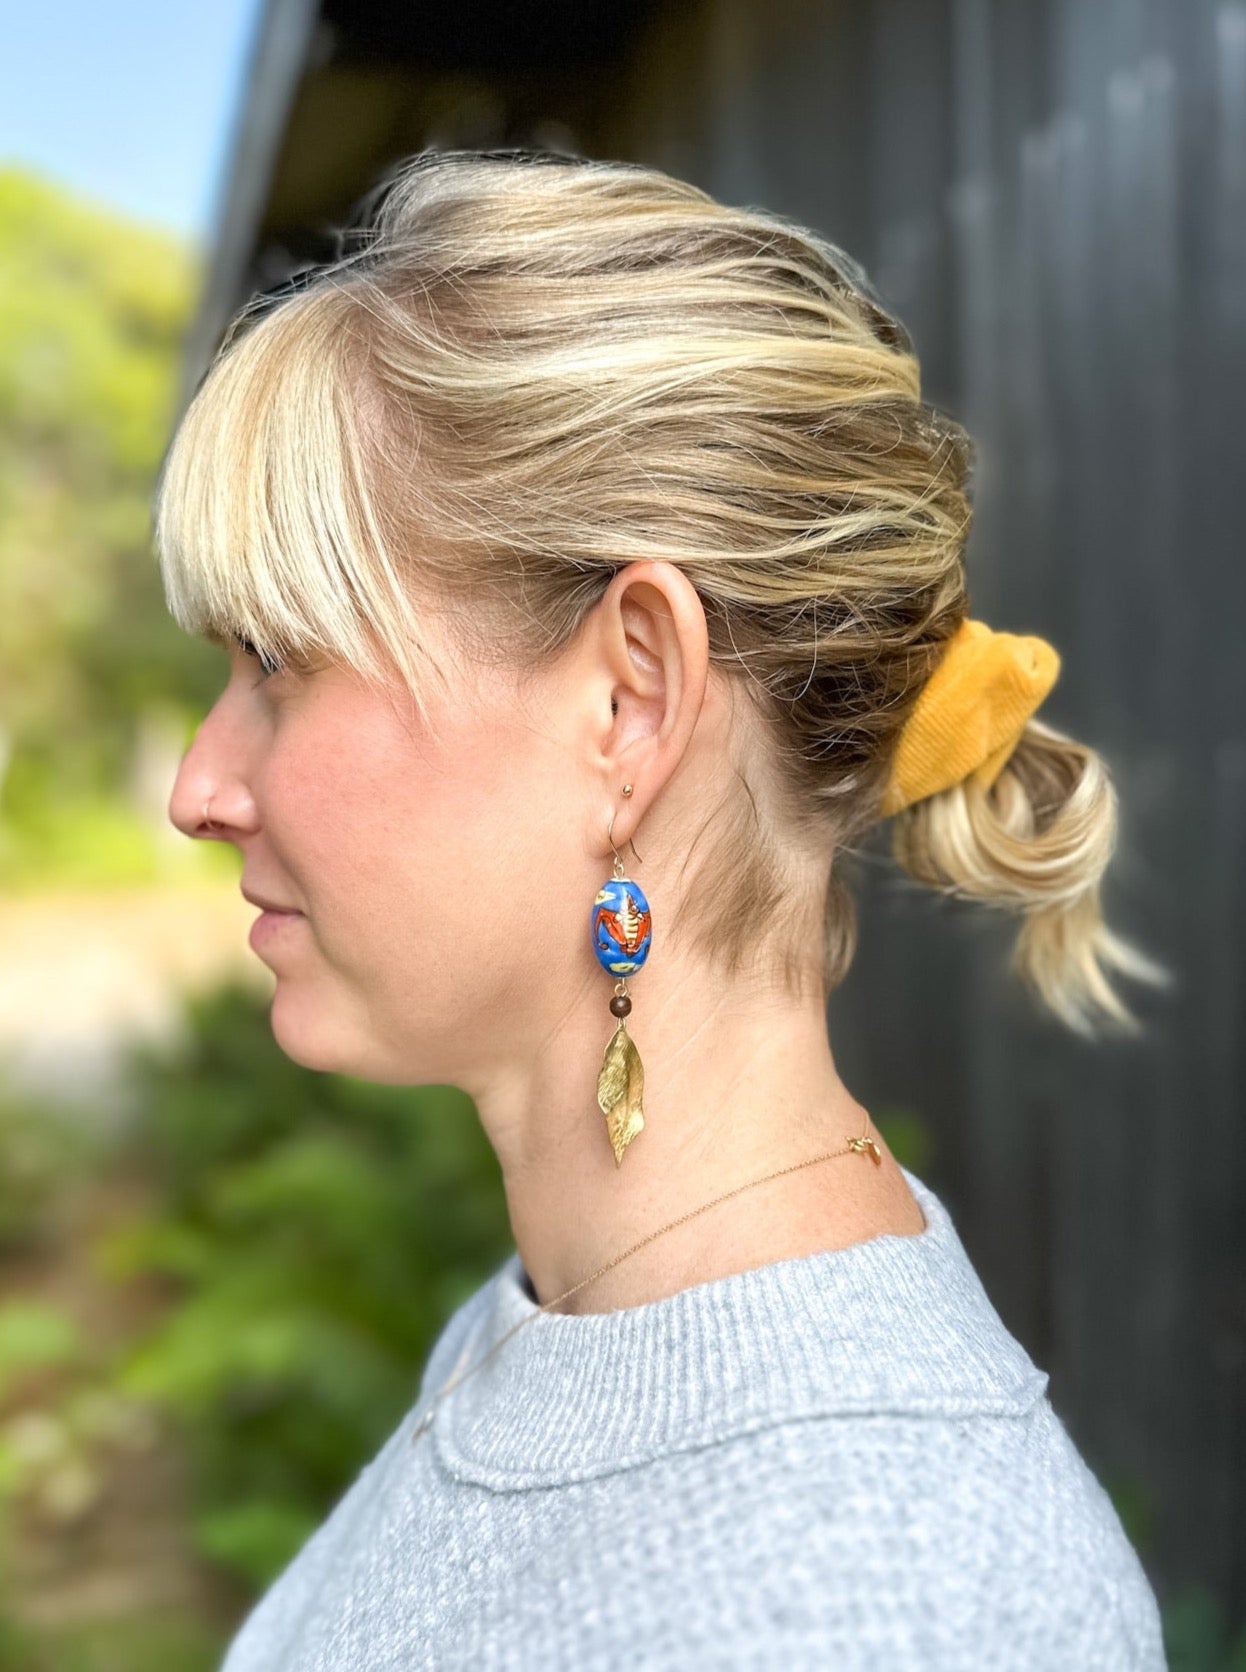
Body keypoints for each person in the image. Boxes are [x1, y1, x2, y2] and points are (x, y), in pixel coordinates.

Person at [160, 148, 1170, 1669]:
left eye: (280, 661)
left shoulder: (895, 1600)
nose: (200, 784)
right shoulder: (559, 1322)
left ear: (631, 699)